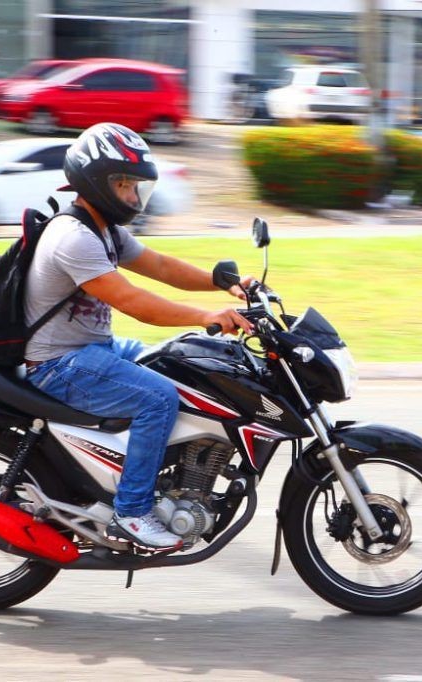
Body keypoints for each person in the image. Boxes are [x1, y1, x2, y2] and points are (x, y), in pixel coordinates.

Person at [24, 122, 253, 552]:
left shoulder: (104, 230)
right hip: (60, 364)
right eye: (125, 185)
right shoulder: (73, 237)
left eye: (135, 187)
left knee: (180, 362)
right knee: (158, 397)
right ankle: (130, 514)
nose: (133, 197)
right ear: (97, 181)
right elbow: (135, 302)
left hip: (93, 349)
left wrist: (222, 282)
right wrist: (209, 315)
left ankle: (153, 474)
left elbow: (161, 267)